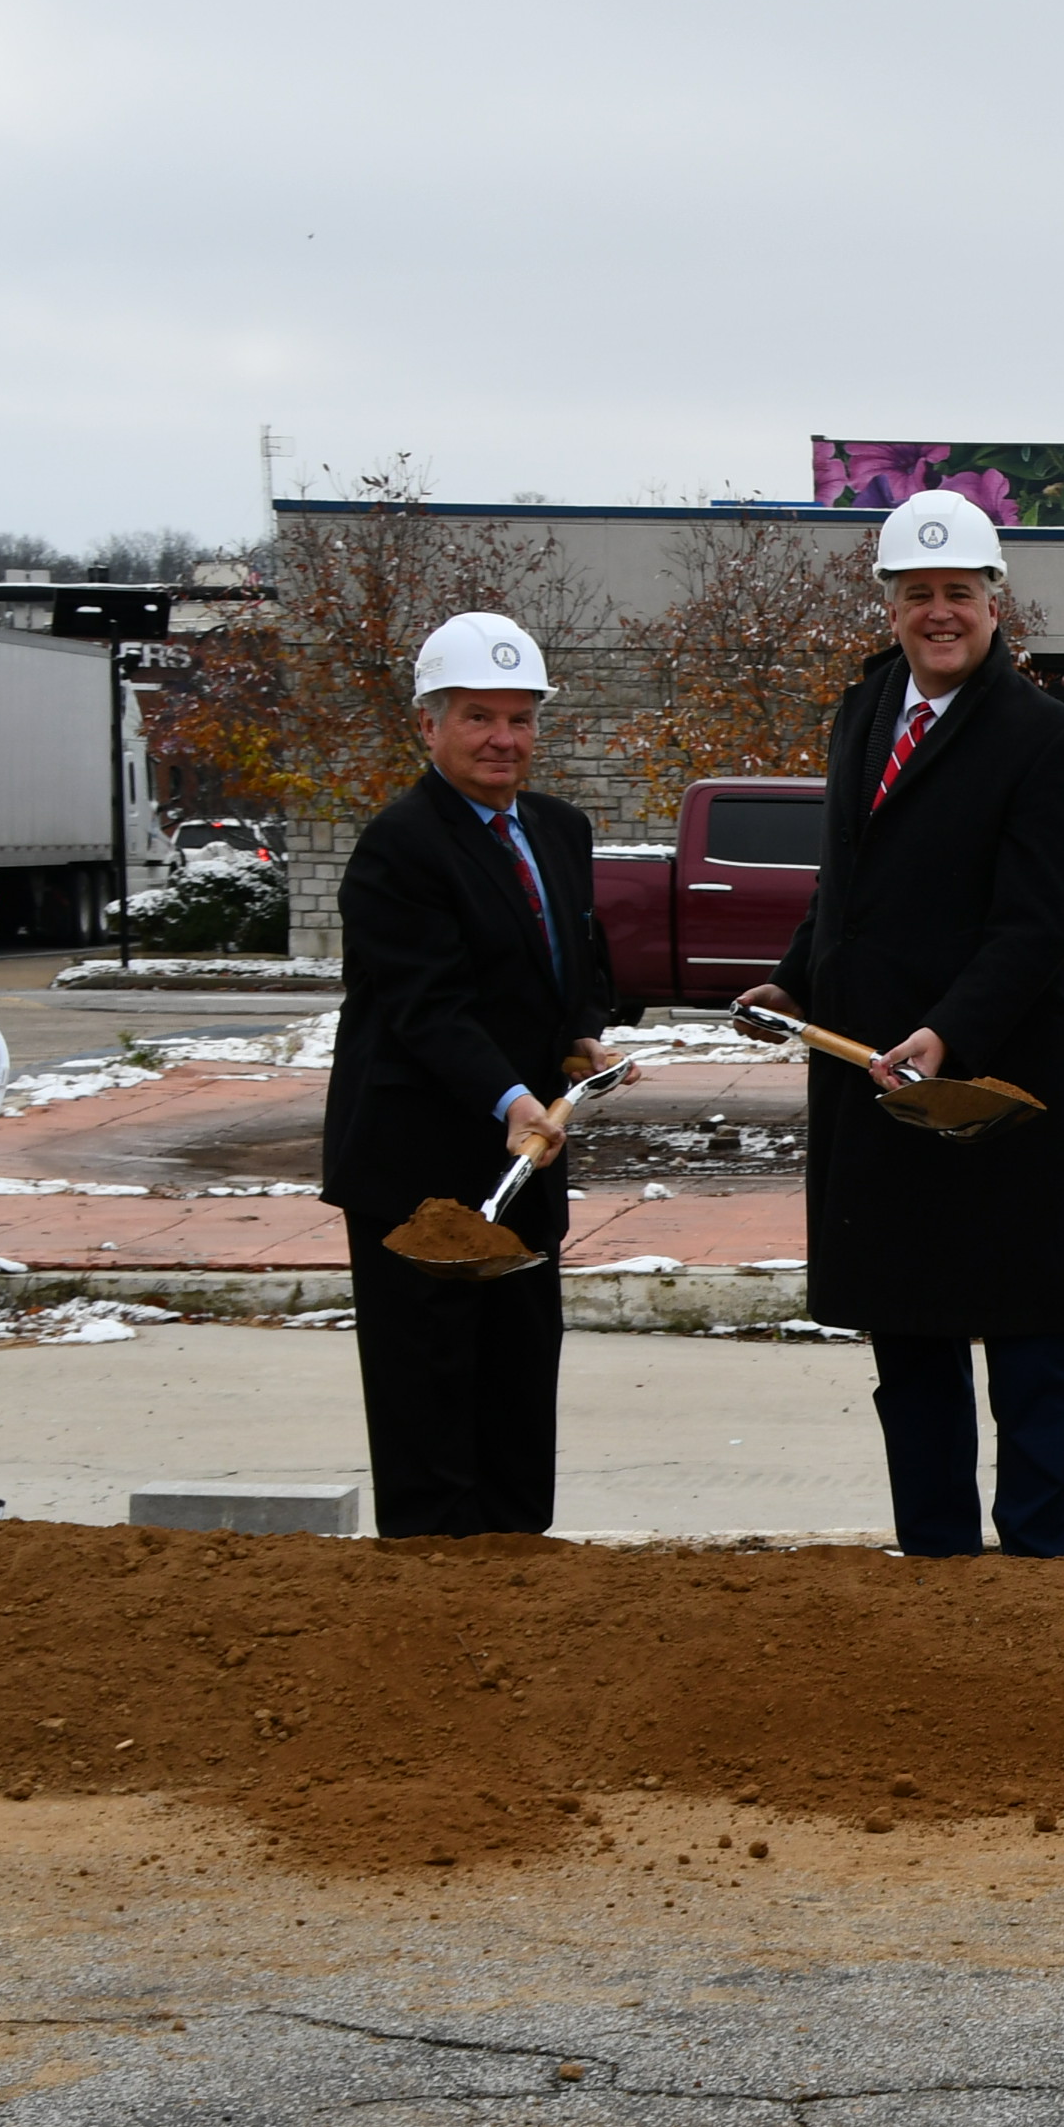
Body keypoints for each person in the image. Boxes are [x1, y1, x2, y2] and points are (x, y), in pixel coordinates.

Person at [736, 492, 1064, 1559]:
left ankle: (1038, 1562)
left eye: (959, 594)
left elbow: (1038, 926)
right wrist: (797, 983)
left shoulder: (1050, 740)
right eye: (917, 595)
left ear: (995, 604)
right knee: (912, 1338)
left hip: (992, 1098)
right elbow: (844, 881)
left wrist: (950, 1035)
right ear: (889, 606)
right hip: (877, 1091)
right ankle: (937, 1560)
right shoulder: (866, 713)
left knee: (1026, 1338)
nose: (939, 613)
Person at [321, 613, 619, 1537]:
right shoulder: (398, 849)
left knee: (519, 1386)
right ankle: (431, 1601)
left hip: (524, 1164)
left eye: (521, 719)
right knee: (431, 1399)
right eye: (479, 717)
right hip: (423, 1175)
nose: (504, 739)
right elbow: (428, 1008)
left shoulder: (560, 830)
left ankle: (519, 1575)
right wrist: (512, 1099)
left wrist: (582, 1040)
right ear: (429, 725)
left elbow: (571, 963)